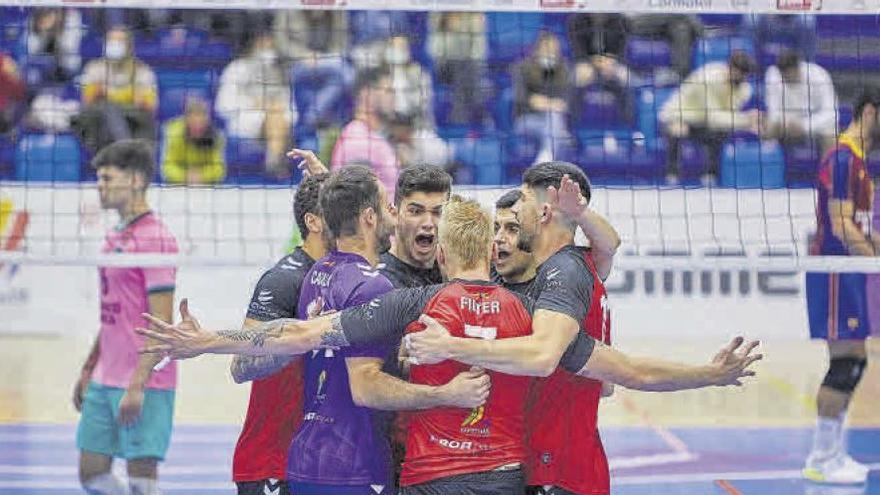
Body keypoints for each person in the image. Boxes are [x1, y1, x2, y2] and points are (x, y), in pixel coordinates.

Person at [286, 165, 488, 495]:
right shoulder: (376, 285)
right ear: (372, 215)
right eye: (407, 209)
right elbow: (366, 385)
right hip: (360, 458)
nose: (427, 222)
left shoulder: (321, 271)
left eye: (438, 212)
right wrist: (446, 391)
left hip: (318, 453)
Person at [73, 139, 178, 495]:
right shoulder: (112, 237)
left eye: (107, 178)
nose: (100, 187)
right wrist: (89, 368)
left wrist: (138, 384)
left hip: (144, 380)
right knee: (91, 474)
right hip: (105, 377)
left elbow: (161, 323)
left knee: (141, 485)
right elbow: (111, 315)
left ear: (135, 179)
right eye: (98, 179)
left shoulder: (156, 239)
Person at [229, 168, 331, 495]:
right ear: (314, 221)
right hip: (273, 463)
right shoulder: (284, 279)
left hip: (320, 461)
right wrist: (301, 339)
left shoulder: (344, 275)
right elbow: (241, 366)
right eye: (339, 209)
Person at [803, 88, 880, 485]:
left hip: (848, 269)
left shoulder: (860, 162)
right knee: (847, 361)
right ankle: (821, 456)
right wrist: (873, 261)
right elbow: (841, 225)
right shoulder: (843, 157)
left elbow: (863, 225)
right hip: (835, 270)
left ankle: (833, 453)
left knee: (856, 360)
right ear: (870, 112)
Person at [660, 51, 761, 184]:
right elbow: (714, 118)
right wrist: (747, 120)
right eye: (738, 72)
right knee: (678, 130)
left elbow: (726, 118)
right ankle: (672, 176)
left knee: (721, 131)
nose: (741, 77)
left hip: (703, 121)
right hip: (678, 115)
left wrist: (749, 122)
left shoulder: (744, 89)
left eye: (744, 74)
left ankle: (710, 175)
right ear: (729, 68)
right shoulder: (708, 80)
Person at [216, 33, 296, 174]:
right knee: (276, 115)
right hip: (244, 119)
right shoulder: (236, 68)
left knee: (277, 114)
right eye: (263, 46)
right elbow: (223, 105)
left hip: (279, 121)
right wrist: (254, 103)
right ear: (253, 46)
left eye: (271, 46)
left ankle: (273, 160)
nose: (267, 51)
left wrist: (273, 109)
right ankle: (275, 162)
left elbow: (291, 108)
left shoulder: (280, 72)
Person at [75, 27, 158, 153]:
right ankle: (123, 149)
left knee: (113, 109)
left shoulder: (142, 70)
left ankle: (123, 151)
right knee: (106, 108)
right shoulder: (93, 68)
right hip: (99, 122)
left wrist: (107, 93)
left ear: (129, 45)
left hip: (132, 118)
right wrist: (128, 94)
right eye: (110, 40)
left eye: (119, 41)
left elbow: (150, 105)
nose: (113, 44)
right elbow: (87, 99)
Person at [273, 9, 354, 130]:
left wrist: (325, 57)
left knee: (344, 73)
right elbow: (281, 43)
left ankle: (312, 116)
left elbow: (341, 44)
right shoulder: (288, 8)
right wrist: (303, 55)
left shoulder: (337, 10)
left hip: (328, 62)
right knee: (347, 74)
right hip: (296, 64)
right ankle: (313, 116)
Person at [330, 67, 399, 198]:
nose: (394, 98)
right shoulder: (358, 140)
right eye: (388, 91)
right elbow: (355, 204)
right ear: (367, 94)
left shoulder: (372, 137)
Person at [513, 32, 575, 163]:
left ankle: (545, 157)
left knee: (554, 118)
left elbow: (566, 102)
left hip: (554, 121)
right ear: (537, 49)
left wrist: (543, 102)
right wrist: (546, 103)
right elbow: (521, 98)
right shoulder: (522, 68)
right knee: (557, 127)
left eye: (554, 49)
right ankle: (548, 154)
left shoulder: (565, 70)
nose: (550, 52)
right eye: (547, 48)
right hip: (526, 120)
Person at [764, 50, 837, 151]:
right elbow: (773, 112)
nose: (787, 79)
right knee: (768, 128)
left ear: (798, 68)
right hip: (786, 123)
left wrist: (804, 126)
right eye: (784, 77)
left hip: (814, 123)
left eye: (790, 76)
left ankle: (827, 167)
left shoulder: (819, 76)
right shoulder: (773, 75)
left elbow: (831, 115)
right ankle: (772, 164)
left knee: (831, 135)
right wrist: (785, 122)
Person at [428, 12, 487, 125]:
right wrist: (451, 33)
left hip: (469, 67)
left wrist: (462, 28)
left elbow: (478, 52)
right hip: (443, 66)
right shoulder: (438, 15)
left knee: (465, 68)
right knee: (461, 67)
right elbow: (435, 51)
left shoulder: (474, 15)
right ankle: (465, 119)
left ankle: (462, 117)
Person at [160, 97, 226, 185]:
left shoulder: (216, 136)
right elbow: (166, 168)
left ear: (207, 122)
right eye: (194, 124)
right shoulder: (173, 133)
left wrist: (201, 176)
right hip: (178, 186)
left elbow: (219, 170)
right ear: (186, 120)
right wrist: (185, 176)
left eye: (201, 124)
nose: (197, 128)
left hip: (206, 187)